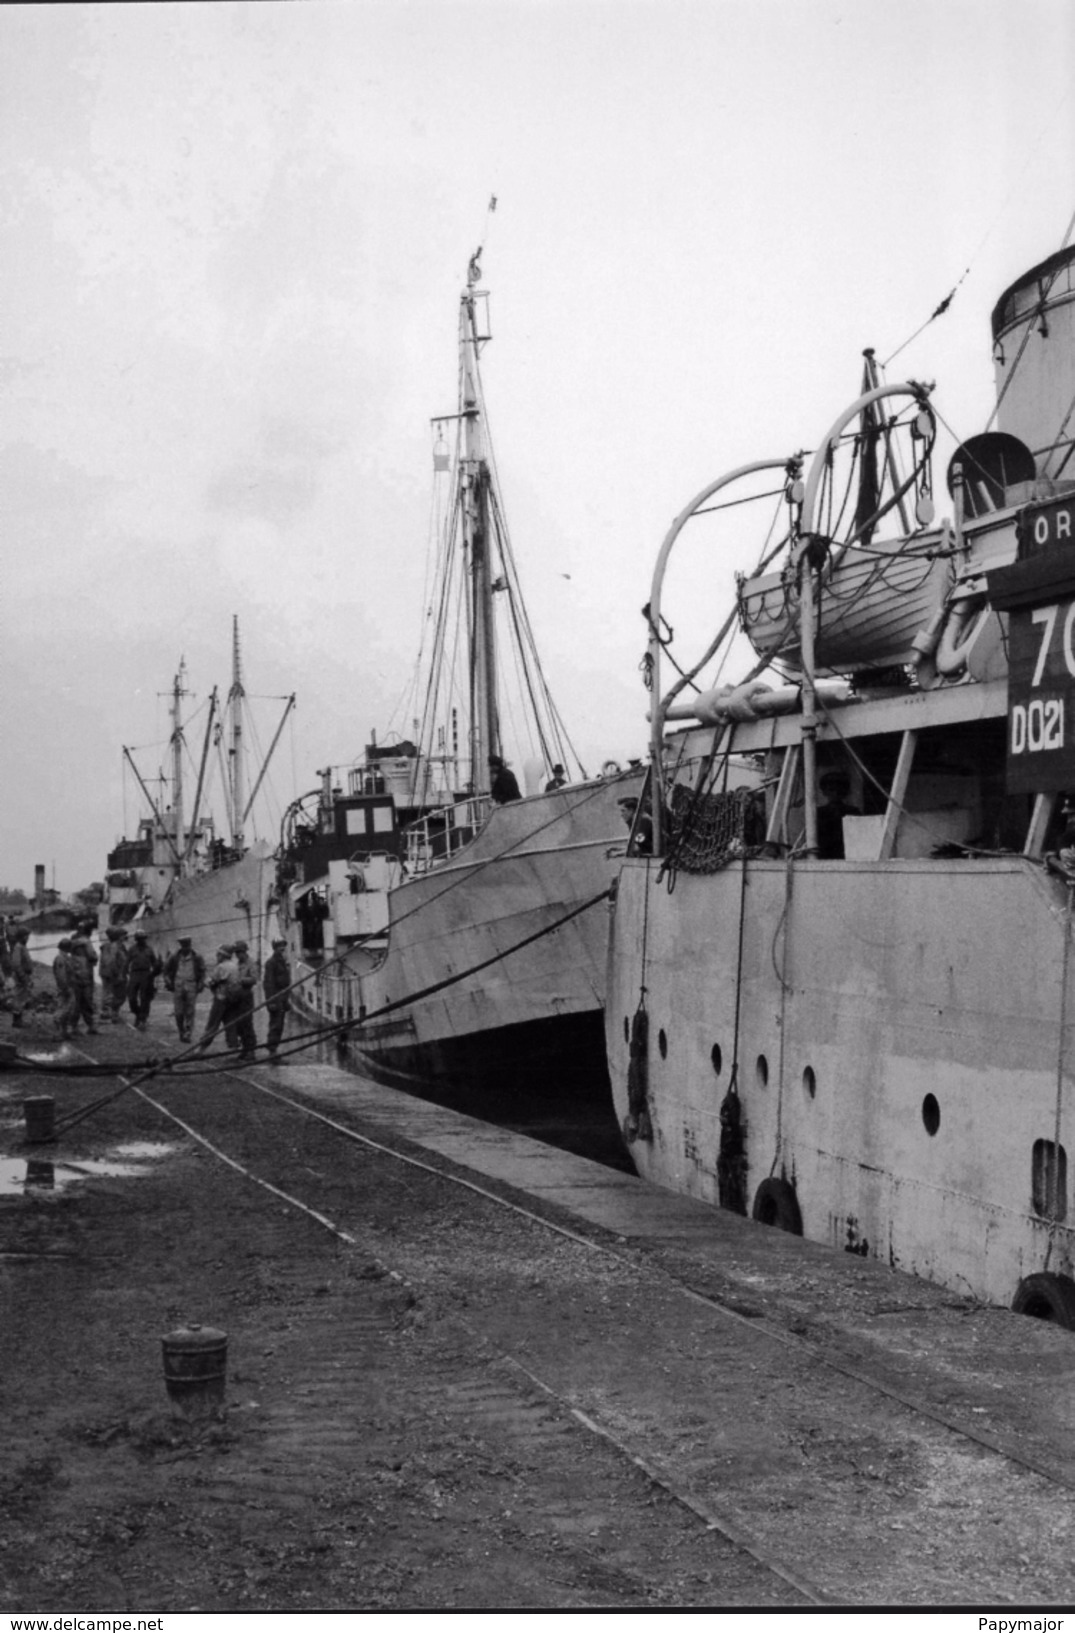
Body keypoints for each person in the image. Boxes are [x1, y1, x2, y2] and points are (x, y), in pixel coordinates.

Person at [163, 935, 206, 1044]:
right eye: (183, 946)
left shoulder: (197, 957)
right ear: (181, 946)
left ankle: (188, 1033)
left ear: (190, 945)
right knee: (178, 1012)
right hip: (178, 986)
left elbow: (202, 972)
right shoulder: (174, 957)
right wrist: (168, 981)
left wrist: (201, 983)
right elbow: (166, 970)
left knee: (190, 1011)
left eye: (187, 946)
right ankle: (181, 1031)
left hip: (191, 985)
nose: (185, 948)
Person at [197, 945, 240, 1051]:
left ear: (223, 955)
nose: (217, 956)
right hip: (232, 999)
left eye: (218, 954)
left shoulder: (221, 967)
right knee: (230, 1023)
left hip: (221, 998)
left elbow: (212, 982)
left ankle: (201, 1048)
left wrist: (204, 980)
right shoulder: (234, 966)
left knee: (212, 1024)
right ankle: (233, 1046)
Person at [225, 939, 259, 1062]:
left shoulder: (251, 963)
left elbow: (254, 979)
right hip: (237, 997)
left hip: (246, 997)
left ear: (245, 951)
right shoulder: (236, 964)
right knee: (239, 1024)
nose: (238, 955)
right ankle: (245, 1049)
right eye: (237, 952)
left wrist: (241, 980)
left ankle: (251, 1050)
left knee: (247, 1024)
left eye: (240, 952)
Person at [815, 770, 861, 860]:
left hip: (849, 857)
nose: (835, 793)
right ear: (824, 791)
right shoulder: (819, 813)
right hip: (824, 858)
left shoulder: (853, 812)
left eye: (839, 790)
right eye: (831, 789)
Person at [67, 920, 99, 1034]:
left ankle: (72, 1026)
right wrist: (95, 958)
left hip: (74, 971)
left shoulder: (72, 940)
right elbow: (92, 956)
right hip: (85, 971)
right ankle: (91, 1025)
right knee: (87, 1000)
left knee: (76, 1001)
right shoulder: (86, 942)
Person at [126, 930, 161, 1031]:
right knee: (131, 997)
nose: (142, 940)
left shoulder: (149, 949)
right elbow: (126, 962)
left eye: (144, 938)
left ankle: (142, 1019)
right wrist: (124, 974)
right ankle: (137, 1013)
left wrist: (156, 970)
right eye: (140, 939)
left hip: (146, 974)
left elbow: (154, 963)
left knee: (145, 998)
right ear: (136, 940)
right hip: (134, 974)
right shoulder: (132, 949)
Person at [262, 937, 291, 1060]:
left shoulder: (282, 962)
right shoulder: (271, 963)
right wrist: (271, 1001)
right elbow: (268, 983)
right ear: (275, 948)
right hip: (276, 997)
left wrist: (287, 1000)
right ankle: (272, 1052)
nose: (282, 948)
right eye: (280, 946)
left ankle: (274, 1049)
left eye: (283, 946)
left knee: (279, 1025)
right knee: (276, 1024)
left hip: (282, 997)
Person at [98, 928, 129, 1023]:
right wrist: (118, 974)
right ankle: (111, 1014)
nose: (125, 937)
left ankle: (109, 1013)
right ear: (119, 937)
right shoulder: (115, 946)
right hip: (115, 974)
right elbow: (112, 961)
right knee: (117, 995)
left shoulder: (114, 946)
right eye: (123, 935)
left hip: (110, 973)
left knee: (109, 993)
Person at [52, 939, 79, 1039]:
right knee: (62, 1010)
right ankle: (57, 1033)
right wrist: (65, 988)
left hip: (70, 986)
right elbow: (61, 975)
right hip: (65, 988)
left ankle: (64, 1032)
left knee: (69, 1010)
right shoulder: (60, 959)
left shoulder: (65, 958)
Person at [9, 928, 33, 1029]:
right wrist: (23, 978)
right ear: (22, 937)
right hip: (20, 977)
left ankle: (19, 1019)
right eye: (26, 936)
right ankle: (17, 1021)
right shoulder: (18, 947)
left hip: (23, 976)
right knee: (19, 998)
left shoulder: (22, 947)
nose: (28, 938)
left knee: (22, 997)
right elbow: (16, 965)